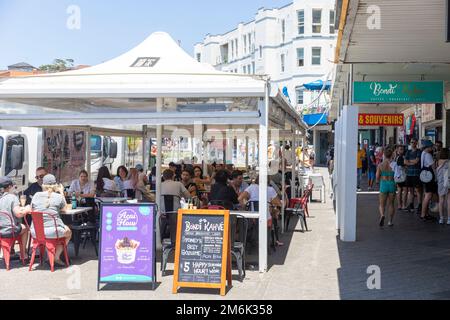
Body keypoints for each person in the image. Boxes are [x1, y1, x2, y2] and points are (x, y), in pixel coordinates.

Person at [31, 174, 72, 266]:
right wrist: (61, 192)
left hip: (36, 232)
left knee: (52, 233)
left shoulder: (36, 195)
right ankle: (56, 257)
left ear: (43, 185)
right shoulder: (58, 197)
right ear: (55, 185)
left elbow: (32, 209)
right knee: (68, 232)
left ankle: (49, 254)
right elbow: (65, 209)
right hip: (53, 231)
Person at [238, 175, 283, 246]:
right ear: (268, 180)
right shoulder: (270, 189)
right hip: (266, 217)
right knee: (275, 212)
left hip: (252, 217)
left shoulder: (251, 187)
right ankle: (273, 237)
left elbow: (240, 198)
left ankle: (255, 238)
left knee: (274, 211)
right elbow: (279, 204)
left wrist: (245, 208)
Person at [0, 176, 31, 257]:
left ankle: (10, 250)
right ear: (10, 186)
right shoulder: (12, 197)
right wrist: (27, 209)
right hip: (8, 231)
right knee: (24, 228)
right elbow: (18, 214)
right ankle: (23, 254)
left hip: (1, 230)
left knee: (14, 225)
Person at [161, 169, 191, 245]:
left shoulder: (160, 184)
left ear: (163, 177)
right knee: (175, 223)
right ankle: (174, 242)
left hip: (162, 212)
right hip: (175, 212)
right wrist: (180, 196)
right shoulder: (178, 184)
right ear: (173, 176)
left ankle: (160, 238)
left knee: (161, 224)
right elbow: (188, 196)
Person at [376, 147, 396, 227]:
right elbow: (397, 175)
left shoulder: (381, 165)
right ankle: (390, 221)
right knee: (391, 204)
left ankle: (382, 215)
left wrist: (378, 181)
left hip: (383, 184)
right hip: (392, 184)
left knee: (381, 204)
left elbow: (377, 176)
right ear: (391, 155)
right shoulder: (394, 164)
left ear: (384, 155)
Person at [420, 140, 437, 221]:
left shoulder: (423, 153)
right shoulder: (428, 155)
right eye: (431, 146)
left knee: (426, 195)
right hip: (429, 177)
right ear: (428, 147)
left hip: (424, 176)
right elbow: (433, 166)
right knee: (428, 195)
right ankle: (423, 214)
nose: (432, 148)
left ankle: (425, 213)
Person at [404, 138, 422, 213]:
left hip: (416, 174)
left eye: (414, 142)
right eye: (411, 142)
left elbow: (417, 161)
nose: (413, 144)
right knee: (410, 190)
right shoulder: (408, 152)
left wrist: (409, 161)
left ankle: (419, 206)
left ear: (416, 143)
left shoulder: (419, 151)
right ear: (410, 143)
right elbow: (405, 162)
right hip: (409, 174)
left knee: (418, 190)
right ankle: (411, 205)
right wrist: (412, 162)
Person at [436, 148, 450, 225]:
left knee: (441, 200)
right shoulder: (449, 162)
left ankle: (441, 218)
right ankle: (449, 219)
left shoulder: (438, 162)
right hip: (448, 182)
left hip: (441, 183)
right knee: (449, 201)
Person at [395, 145, 408, 210]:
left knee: (399, 190)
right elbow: (403, 166)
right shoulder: (401, 157)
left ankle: (399, 205)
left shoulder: (396, 157)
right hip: (402, 176)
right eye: (400, 149)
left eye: (402, 149)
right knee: (405, 190)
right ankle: (403, 205)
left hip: (398, 176)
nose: (402, 150)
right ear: (397, 150)